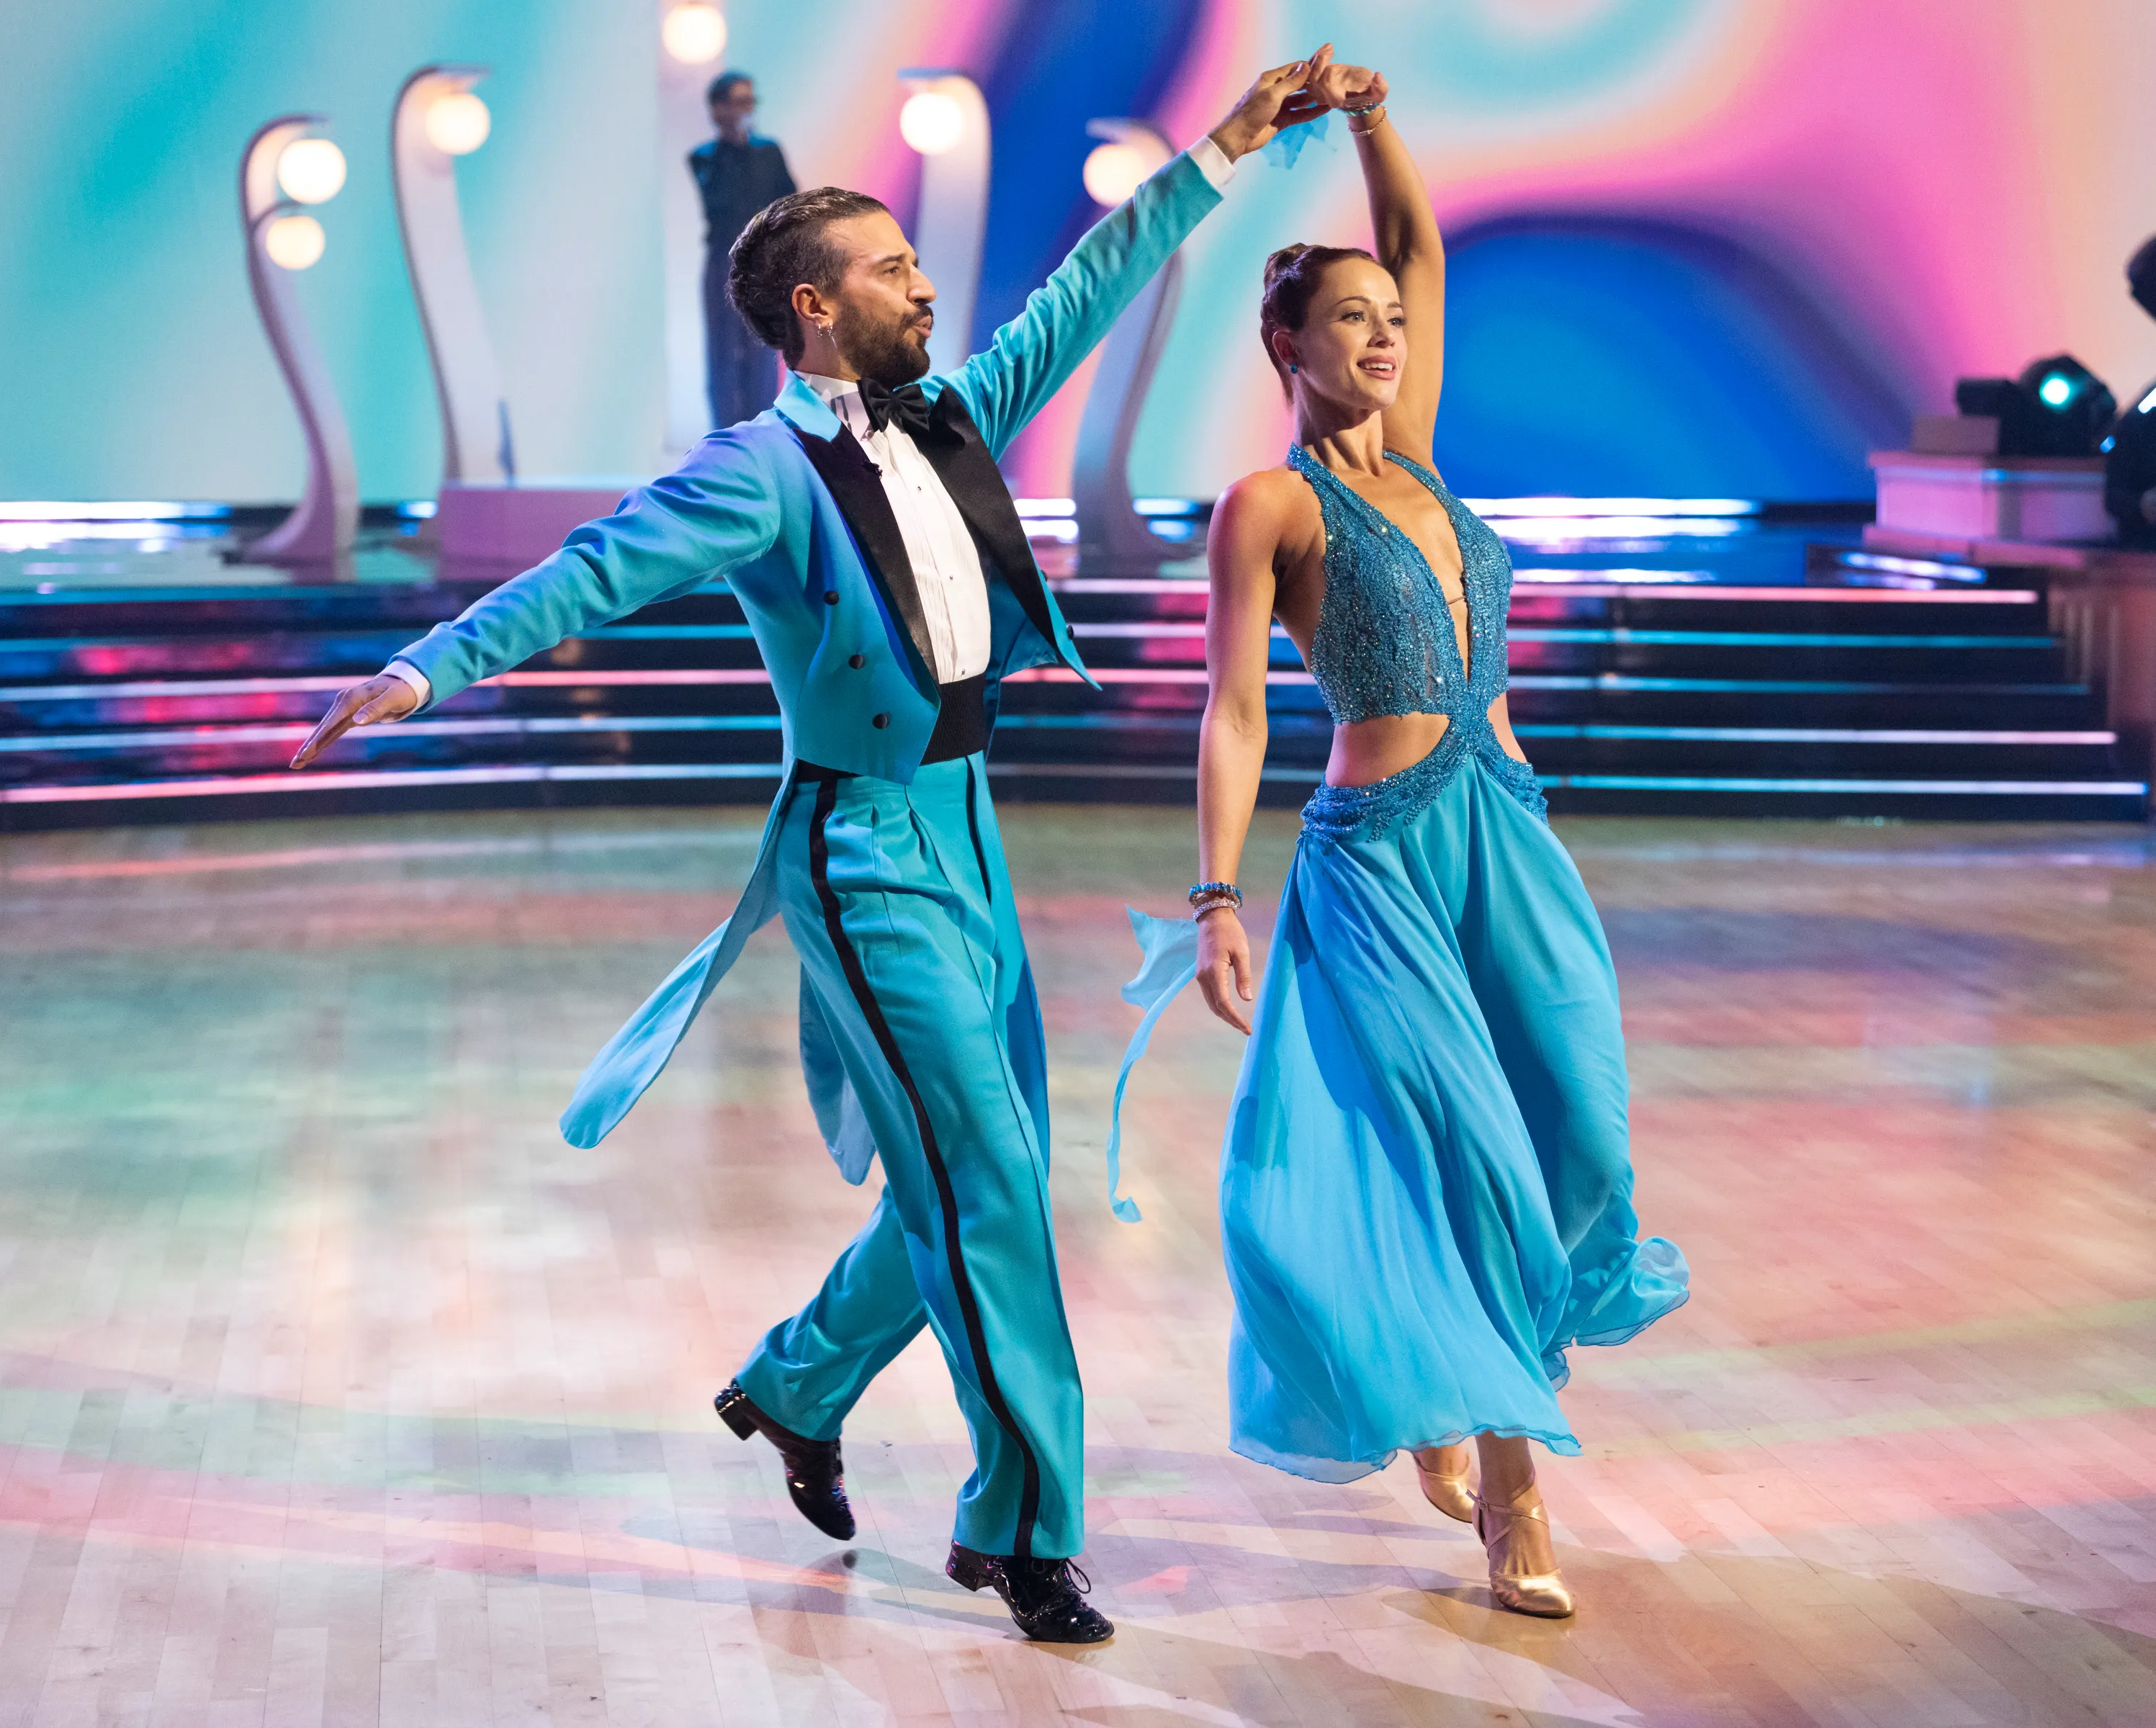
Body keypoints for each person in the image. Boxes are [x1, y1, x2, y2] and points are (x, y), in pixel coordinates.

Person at [289, 58, 1326, 1644]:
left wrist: (1229, 143)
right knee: (989, 1182)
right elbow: (593, 571)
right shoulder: (756, 472)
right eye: (894, 269)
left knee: (978, 1168)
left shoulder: (955, 409)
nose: (926, 286)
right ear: (817, 309)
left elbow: (1089, 286)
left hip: (972, 827)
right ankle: (1025, 1530)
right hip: (863, 849)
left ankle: (794, 1383)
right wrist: (424, 670)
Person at [1113, 49, 1689, 1619]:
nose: (1385, 333)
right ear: (1286, 344)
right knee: (1475, 1155)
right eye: (1352, 318)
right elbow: (1235, 712)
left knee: (1577, 1132)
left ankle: (1449, 1383)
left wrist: (1371, 120)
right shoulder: (1271, 506)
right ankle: (1517, 1490)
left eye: (1394, 319)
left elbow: (1422, 246)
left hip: (1512, 840)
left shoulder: (1423, 456)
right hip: (1378, 863)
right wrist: (1217, 896)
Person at [692, 71, 796, 428]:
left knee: (762, 349)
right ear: (718, 109)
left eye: (750, 102)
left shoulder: (768, 152)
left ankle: (760, 433)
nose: (746, 110)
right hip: (722, 262)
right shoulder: (705, 159)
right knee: (722, 352)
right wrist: (736, 146)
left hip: (763, 263)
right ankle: (724, 436)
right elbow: (720, 204)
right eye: (738, 102)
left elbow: (789, 202)